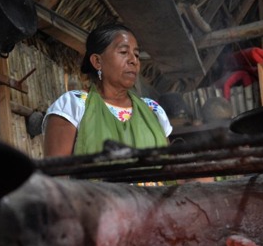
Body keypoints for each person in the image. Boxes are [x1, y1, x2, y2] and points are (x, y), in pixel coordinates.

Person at [44, 23, 172, 156]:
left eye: (136, 54)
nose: (134, 60)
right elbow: (56, 173)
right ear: (97, 61)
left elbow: (170, 167)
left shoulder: (153, 110)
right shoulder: (73, 106)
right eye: (123, 52)